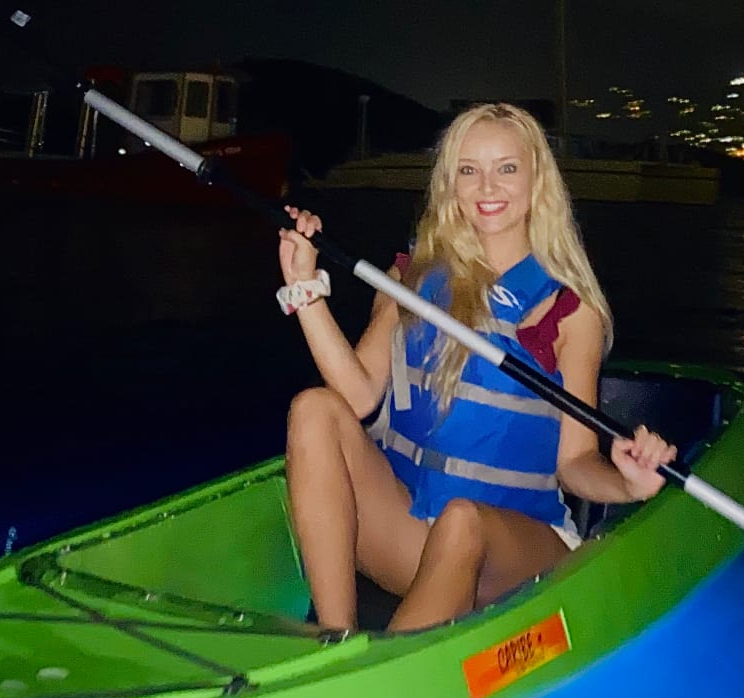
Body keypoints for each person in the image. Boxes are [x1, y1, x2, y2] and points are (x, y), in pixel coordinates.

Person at [276, 102, 676, 633]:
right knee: (313, 409)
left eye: (506, 168)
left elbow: (575, 461)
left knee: (463, 519)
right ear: (451, 185)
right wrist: (306, 291)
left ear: (537, 181)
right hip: (413, 535)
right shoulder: (413, 280)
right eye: (469, 170)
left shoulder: (567, 312)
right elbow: (357, 396)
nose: (487, 187)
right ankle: (334, 641)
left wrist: (627, 485)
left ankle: (387, 675)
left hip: (513, 553)